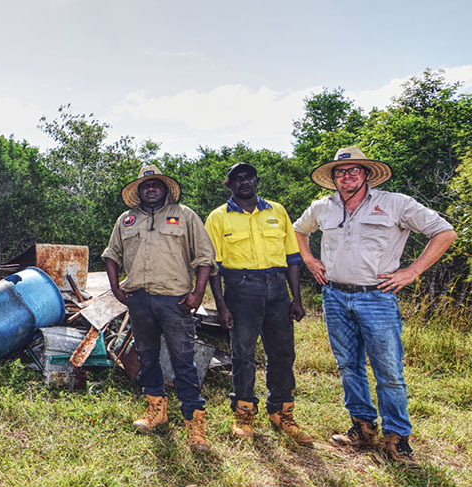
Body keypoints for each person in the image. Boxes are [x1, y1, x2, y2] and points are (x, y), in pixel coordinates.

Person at [293, 147, 456, 463]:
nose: (347, 176)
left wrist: (412, 271)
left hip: (377, 296)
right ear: (333, 177)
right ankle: (362, 426)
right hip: (335, 296)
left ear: (366, 174)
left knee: (388, 370)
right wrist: (310, 259)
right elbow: (299, 230)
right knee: (347, 364)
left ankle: (397, 437)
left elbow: (444, 232)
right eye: (341, 172)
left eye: (354, 170)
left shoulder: (395, 204)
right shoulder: (322, 208)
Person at [102, 165, 216, 452]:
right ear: (138, 190)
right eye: (145, 185)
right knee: (148, 357)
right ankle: (156, 411)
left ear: (165, 188)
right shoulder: (126, 220)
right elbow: (111, 255)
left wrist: (198, 292)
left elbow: (205, 256)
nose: (151, 189)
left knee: (183, 361)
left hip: (174, 301)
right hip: (139, 300)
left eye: (156, 184)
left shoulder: (185, 215)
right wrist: (117, 288)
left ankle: (195, 424)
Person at [206, 162, 311, 446]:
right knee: (243, 354)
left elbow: (292, 259)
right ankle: (244, 413)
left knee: (283, 353)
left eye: (248, 177)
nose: (244, 182)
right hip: (241, 290)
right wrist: (222, 306)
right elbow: (213, 266)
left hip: (277, 289)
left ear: (257, 180)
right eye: (237, 179)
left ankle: (281, 412)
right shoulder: (218, 218)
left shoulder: (277, 211)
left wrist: (296, 299)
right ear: (228, 184)